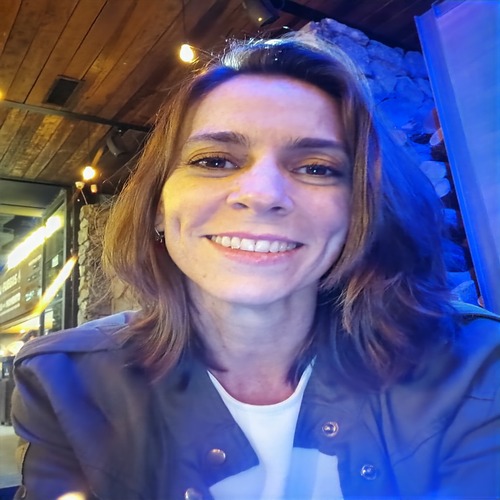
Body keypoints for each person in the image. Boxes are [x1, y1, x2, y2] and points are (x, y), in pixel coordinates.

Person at [11, 33, 500, 500]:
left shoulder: (474, 364)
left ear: (360, 209)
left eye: (316, 168)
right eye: (215, 161)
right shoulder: (64, 382)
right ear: (158, 206)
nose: (262, 194)